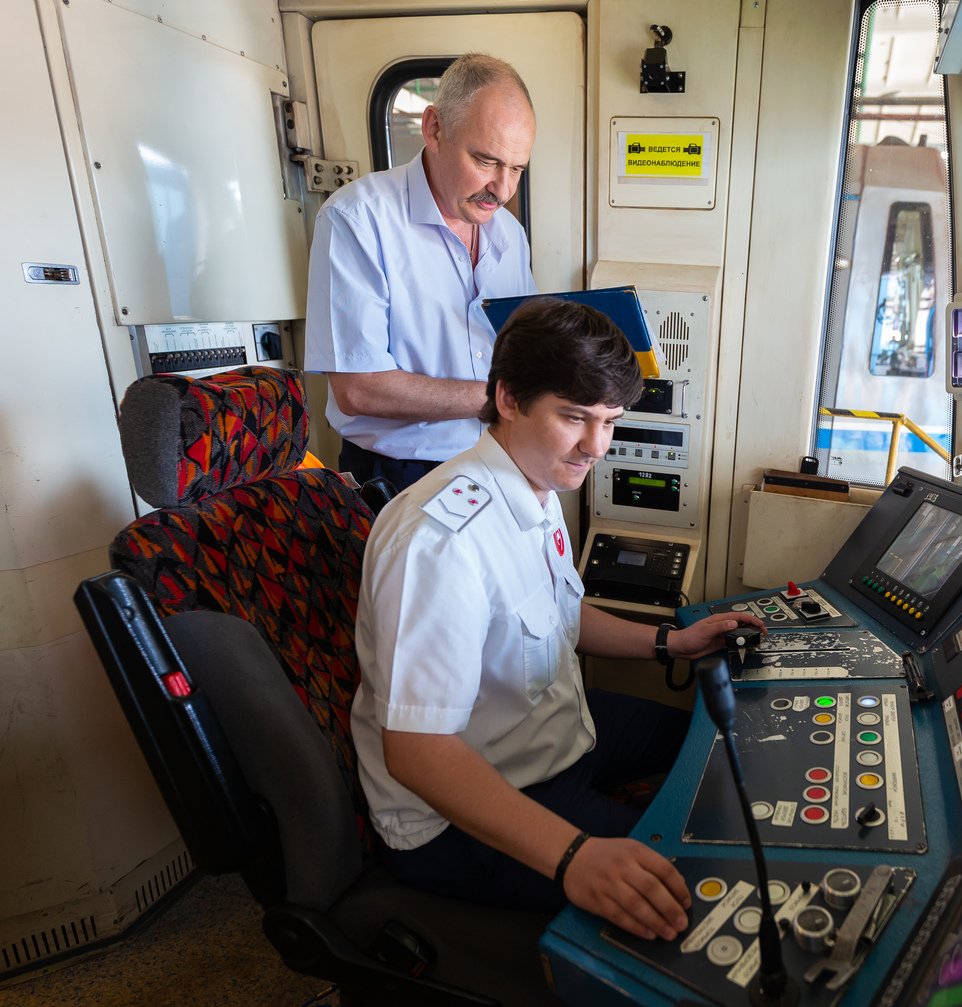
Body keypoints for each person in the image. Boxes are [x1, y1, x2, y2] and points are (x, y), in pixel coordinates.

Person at [351, 297, 765, 943]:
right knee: (698, 884)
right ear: (509, 398)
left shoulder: (536, 484)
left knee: (718, 742)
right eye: (574, 417)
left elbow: (558, 611)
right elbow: (417, 752)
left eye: (610, 421)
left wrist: (670, 642)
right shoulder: (441, 541)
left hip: (551, 731)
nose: (596, 446)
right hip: (457, 815)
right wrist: (574, 856)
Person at [304, 53, 538, 491]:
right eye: (486, 161)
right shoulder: (358, 219)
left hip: (496, 464)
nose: (503, 190)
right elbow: (358, 389)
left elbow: (520, 347)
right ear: (434, 129)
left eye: (517, 168)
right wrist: (498, 399)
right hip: (396, 476)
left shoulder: (509, 233)